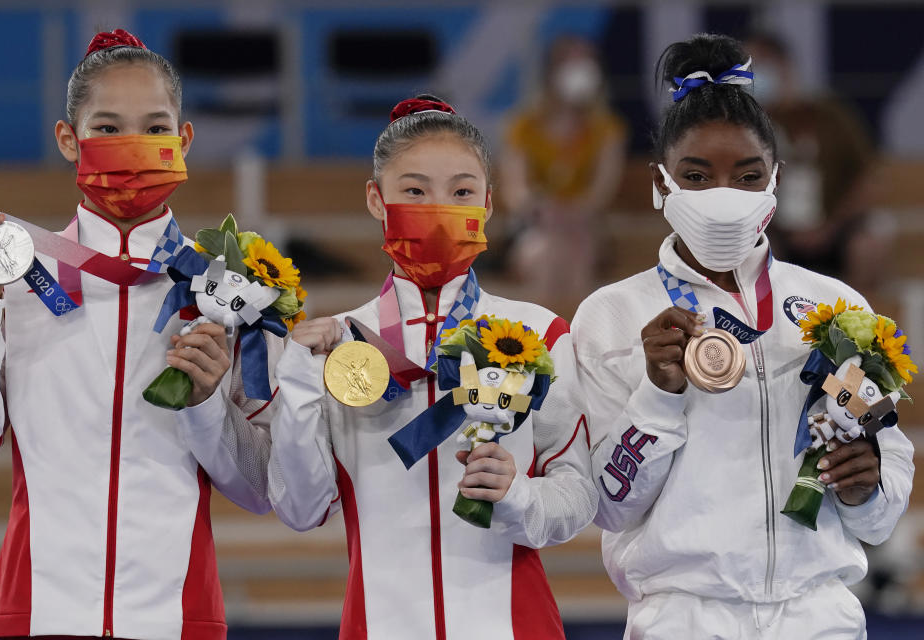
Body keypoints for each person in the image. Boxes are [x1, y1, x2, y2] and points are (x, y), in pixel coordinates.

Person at [572, 34, 914, 639]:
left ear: (775, 181)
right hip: (683, 616)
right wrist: (658, 394)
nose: (722, 198)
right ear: (661, 183)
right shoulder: (612, 316)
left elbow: (882, 509)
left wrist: (867, 489)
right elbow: (610, 505)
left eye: (747, 176)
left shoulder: (839, 307)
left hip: (819, 614)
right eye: (697, 176)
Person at [0, 29, 278, 640]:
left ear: (183, 140)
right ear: (67, 139)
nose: (132, 147)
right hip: (35, 615)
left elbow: (263, 491)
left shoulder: (232, 295)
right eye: (107, 128)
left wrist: (208, 404)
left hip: (178, 619)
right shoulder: (15, 280)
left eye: (155, 129)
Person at [267, 95, 596, 639]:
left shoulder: (539, 335)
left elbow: (579, 495)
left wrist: (520, 498)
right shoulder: (334, 346)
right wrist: (300, 383)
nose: (438, 209)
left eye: (461, 192)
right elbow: (302, 509)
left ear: (488, 204)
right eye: (414, 191)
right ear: (377, 199)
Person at [744, 31, 891, 294]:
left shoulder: (831, 115)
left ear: (784, 67)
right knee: (747, 248)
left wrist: (829, 227)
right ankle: (766, 326)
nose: (754, 76)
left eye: (760, 66)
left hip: (835, 228)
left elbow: (866, 179)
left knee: (868, 244)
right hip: (777, 232)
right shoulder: (746, 128)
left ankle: (857, 322)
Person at [501, 35, 627, 310]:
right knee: (545, 252)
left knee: (577, 250)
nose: (581, 68)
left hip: (586, 227)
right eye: (571, 61)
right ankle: (543, 341)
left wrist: (575, 211)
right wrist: (538, 207)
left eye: (587, 61)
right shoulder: (524, 126)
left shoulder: (606, 129)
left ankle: (574, 340)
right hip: (536, 225)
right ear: (550, 71)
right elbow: (515, 188)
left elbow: (602, 188)